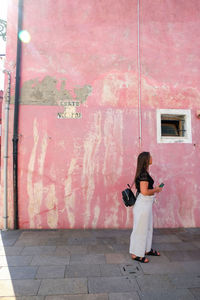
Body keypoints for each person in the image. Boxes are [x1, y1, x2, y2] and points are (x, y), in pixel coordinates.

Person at [129, 152, 163, 263]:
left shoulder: (144, 173)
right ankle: (136, 254)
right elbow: (144, 191)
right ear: (146, 160)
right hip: (143, 204)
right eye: (150, 157)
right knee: (140, 229)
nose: (152, 158)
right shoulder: (143, 174)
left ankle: (146, 249)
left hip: (146, 204)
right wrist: (156, 190)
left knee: (148, 228)